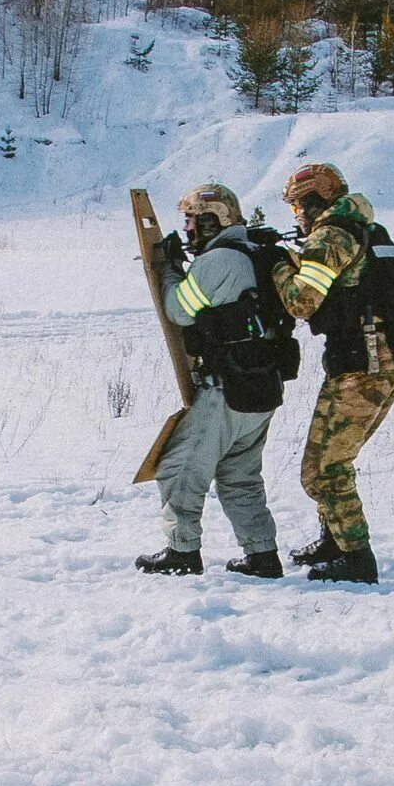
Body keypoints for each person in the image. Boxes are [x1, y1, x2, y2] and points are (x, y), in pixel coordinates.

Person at [269, 163, 394, 584]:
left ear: (315, 199)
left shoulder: (331, 235)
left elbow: (301, 301)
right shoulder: (363, 228)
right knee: (331, 460)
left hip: (363, 365)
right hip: (380, 360)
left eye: (298, 205)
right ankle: (335, 540)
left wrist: (278, 265)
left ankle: (356, 558)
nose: (296, 214)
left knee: (324, 469)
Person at [136, 184, 292, 577]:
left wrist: (170, 271)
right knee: (240, 476)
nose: (187, 229)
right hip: (263, 387)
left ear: (212, 220)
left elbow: (180, 310)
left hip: (226, 387)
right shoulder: (255, 253)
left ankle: (182, 552)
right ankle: (261, 555)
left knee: (179, 468)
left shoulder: (219, 259)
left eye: (191, 220)